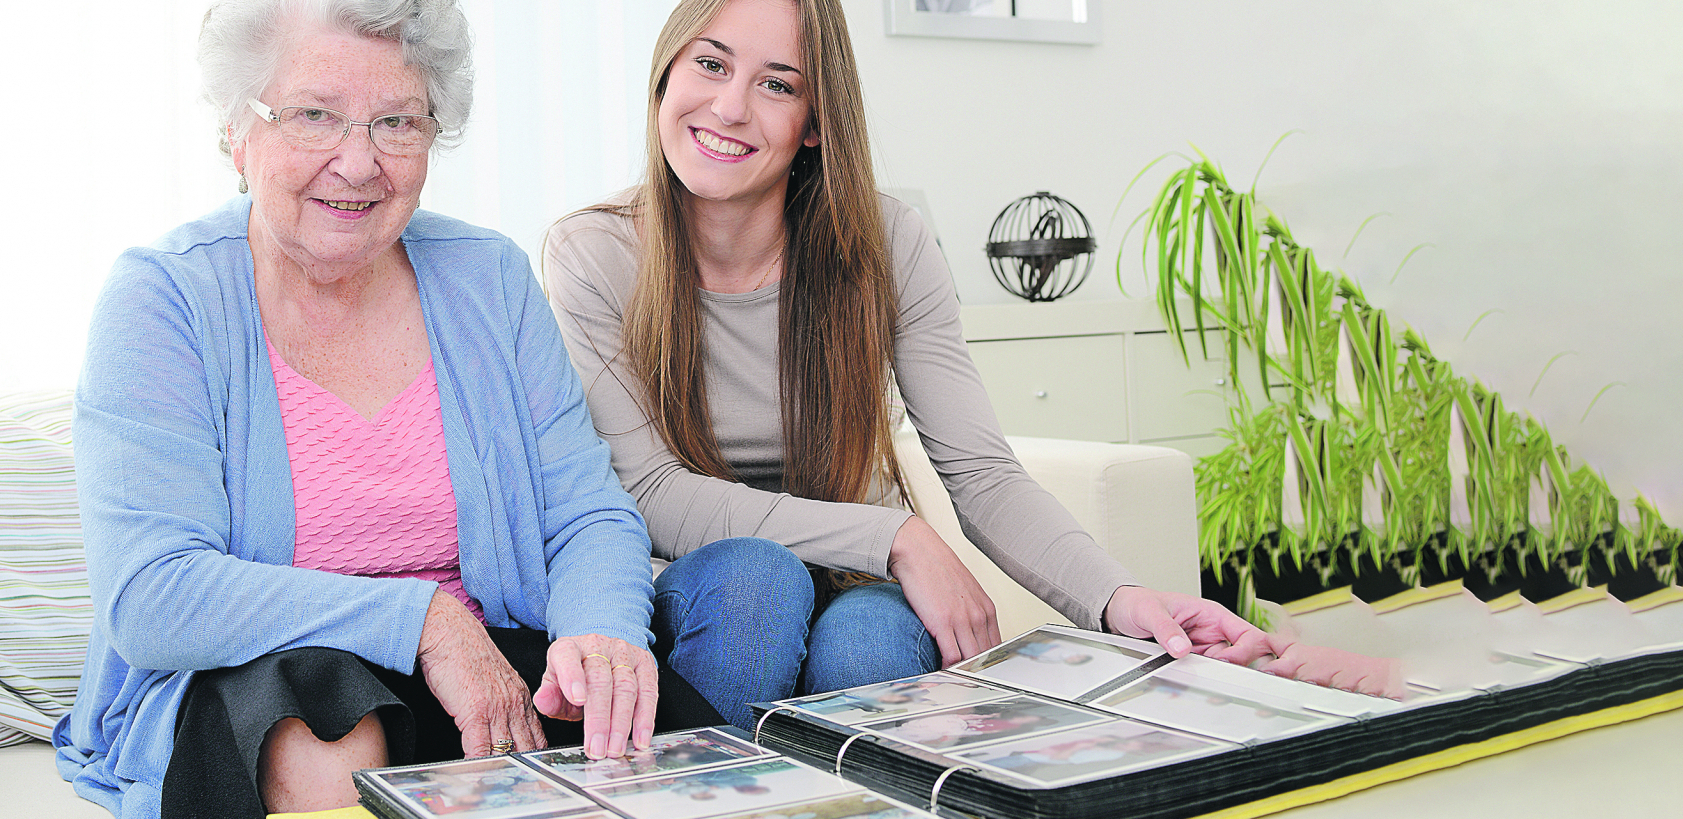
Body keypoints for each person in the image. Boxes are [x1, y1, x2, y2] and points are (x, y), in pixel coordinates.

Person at [543, 0, 1285, 731]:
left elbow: (981, 473)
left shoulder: (887, 245)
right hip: (700, 586)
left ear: (814, 123)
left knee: (867, 644)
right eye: (710, 64)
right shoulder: (594, 253)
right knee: (756, 582)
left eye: (778, 84)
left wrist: (1124, 599)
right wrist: (894, 536)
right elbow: (649, 493)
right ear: (665, 75)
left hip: (856, 586)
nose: (730, 106)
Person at [52, 2, 716, 817]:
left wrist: (601, 633)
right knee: (323, 711)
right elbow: (152, 594)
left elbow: (584, 512)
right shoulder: (164, 297)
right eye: (313, 116)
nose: (359, 161)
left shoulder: (490, 278)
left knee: (654, 736)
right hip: (256, 687)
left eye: (397, 122)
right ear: (237, 130)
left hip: (488, 671)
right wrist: (424, 621)